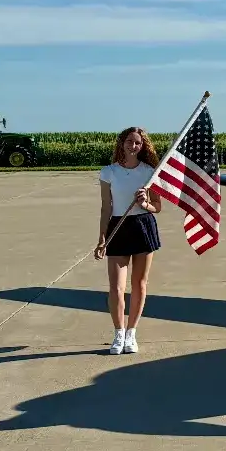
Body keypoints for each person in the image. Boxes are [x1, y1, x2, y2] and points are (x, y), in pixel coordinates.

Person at [93, 126, 163, 354]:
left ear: (143, 146)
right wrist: (102, 238)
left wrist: (145, 204)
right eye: (130, 141)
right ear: (122, 143)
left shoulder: (150, 172)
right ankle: (119, 333)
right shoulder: (108, 172)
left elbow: (157, 207)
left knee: (139, 284)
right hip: (118, 226)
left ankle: (131, 333)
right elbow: (106, 207)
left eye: (138, 143)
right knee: (116, 287)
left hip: (143, 226)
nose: (133, 146)